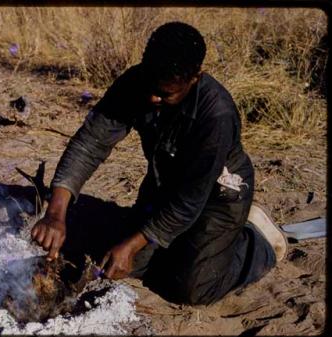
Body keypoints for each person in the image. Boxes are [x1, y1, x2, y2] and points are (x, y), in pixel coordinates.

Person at [31, 22, 288, 305]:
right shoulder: (136, 82)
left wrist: (132, 244)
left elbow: (190, 202)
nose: (153, 98)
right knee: (131, 265)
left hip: (219, 196)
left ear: (195, 78)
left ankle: (255, 240)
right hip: (165, 186)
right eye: (151, 87)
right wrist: (55, 214)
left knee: (191, 288)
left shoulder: (217, 116)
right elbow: (90, 144)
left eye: (166, 94)